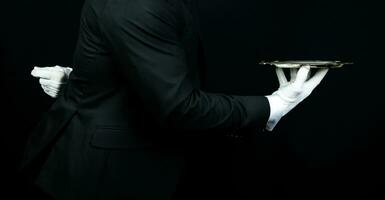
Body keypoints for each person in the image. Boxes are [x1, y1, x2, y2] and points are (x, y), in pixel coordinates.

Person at [20, 0, 328, 199]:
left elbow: (141, 65)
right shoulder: (136, 5)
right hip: (110, 179)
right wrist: (274, 105)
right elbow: (180, 107)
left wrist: (80, 83)